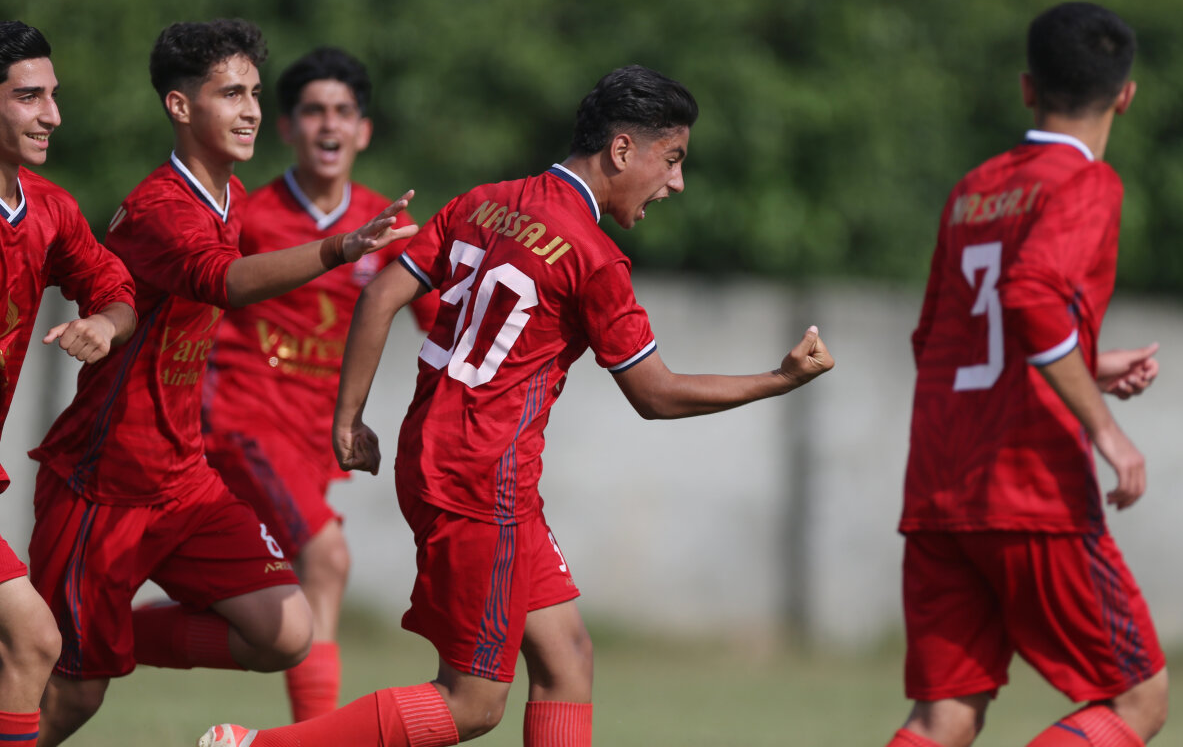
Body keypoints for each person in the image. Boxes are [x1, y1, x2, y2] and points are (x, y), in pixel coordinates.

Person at [197, 64, 834, 747]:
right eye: (672, 159)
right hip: (481, 483)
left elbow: (380, 294)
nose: (676, 181)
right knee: (472, 703)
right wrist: (778, 378)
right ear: (623, 149)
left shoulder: (483, 201)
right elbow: (655, 393)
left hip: (445, 461)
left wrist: (349, 420)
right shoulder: (594, 258)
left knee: (567, 660)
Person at [26, 19, 419, 746]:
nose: (251, 111)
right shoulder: (160, 208)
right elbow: (224, 282)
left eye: (255, 94)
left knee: (286, 630)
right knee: (73, 698)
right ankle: (86, 651)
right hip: (104, 484)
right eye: (231, 94)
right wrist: (339, 248)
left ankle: (108, 639)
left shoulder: (230, 196)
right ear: (180, 107)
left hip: (184, 479)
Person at [888, 2, 1167, 747]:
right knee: (1138, 700)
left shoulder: (974, 189)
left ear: (1026, 87)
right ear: (1125, 95)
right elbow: (1032, 298)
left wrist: (1085, 365)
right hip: (1031, 488)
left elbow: (937, 341)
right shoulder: (1088, 183)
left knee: (945, 716)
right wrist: (1107, 430)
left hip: (940, 488)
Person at [201, 46, 437, 722]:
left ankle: (108, 635)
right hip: (241, 422)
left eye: (342, 111)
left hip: (316, 439)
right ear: (287, 127)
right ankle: (317, 738)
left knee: (279, 605)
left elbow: (441, 327)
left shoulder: (386, 225)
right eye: (312, 111)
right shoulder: (248, 214)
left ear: (363, 130)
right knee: (326, 559)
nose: (328, 124)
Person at [0, 20, 137, 747]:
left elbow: (115, 287)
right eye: (29, 97)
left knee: (32, 645)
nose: (51, 114)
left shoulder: (48, 211)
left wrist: (106, 326)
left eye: (53, 96)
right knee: (33, 639)